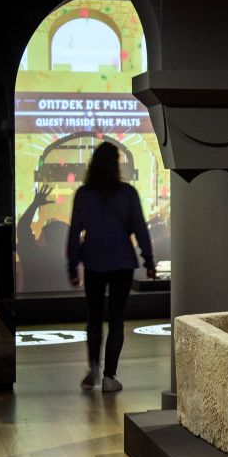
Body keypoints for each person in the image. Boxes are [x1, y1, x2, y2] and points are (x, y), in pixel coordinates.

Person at [67, 142, 156, 392]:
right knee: (116, 319)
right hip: (121, 262)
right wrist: (149, 261)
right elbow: (140, 228)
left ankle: (93, 366)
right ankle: (109, 377)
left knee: (94, 317)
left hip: (94, 260)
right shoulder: (127, 193)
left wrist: (72, 265)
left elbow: (75, 233)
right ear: (116, 164)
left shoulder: (84, 194)